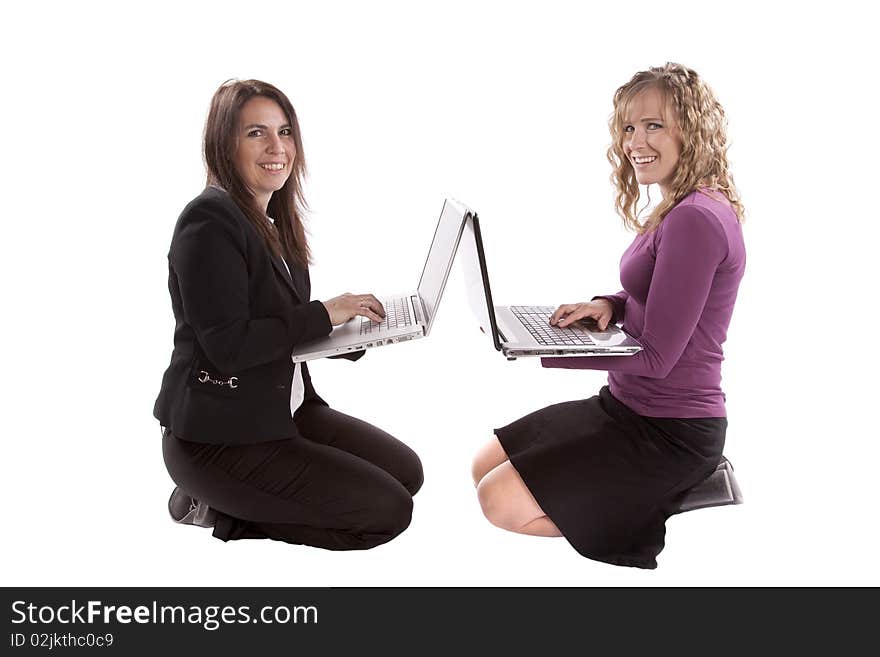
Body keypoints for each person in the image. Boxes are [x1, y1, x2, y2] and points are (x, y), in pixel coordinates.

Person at [471, 63, 746, 569]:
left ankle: (668, 497)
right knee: (482, 466)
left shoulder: (695, 219)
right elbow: (656, 293)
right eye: (628, 127)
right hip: (626, 406)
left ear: (693, 127)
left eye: (654, 125)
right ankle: (632, 492)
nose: (635, 141)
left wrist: (545, 351)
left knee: (499, 502)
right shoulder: (679, 205)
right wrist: (608, 305)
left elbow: (659, 357)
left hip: (671, 431)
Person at [154, 79, 423, 550]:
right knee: (387, 513)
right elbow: (230, 347)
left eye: (285, 132)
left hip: (285, 408)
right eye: (256, 133)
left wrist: (354, 333)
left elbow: (280, 326)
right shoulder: (208, 223)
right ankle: (220, 508)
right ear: (224, 143)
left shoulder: (273, 219)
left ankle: (241, 497)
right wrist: (324, 313)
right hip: (221, 437)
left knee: (406, 474)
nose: (277, 147)